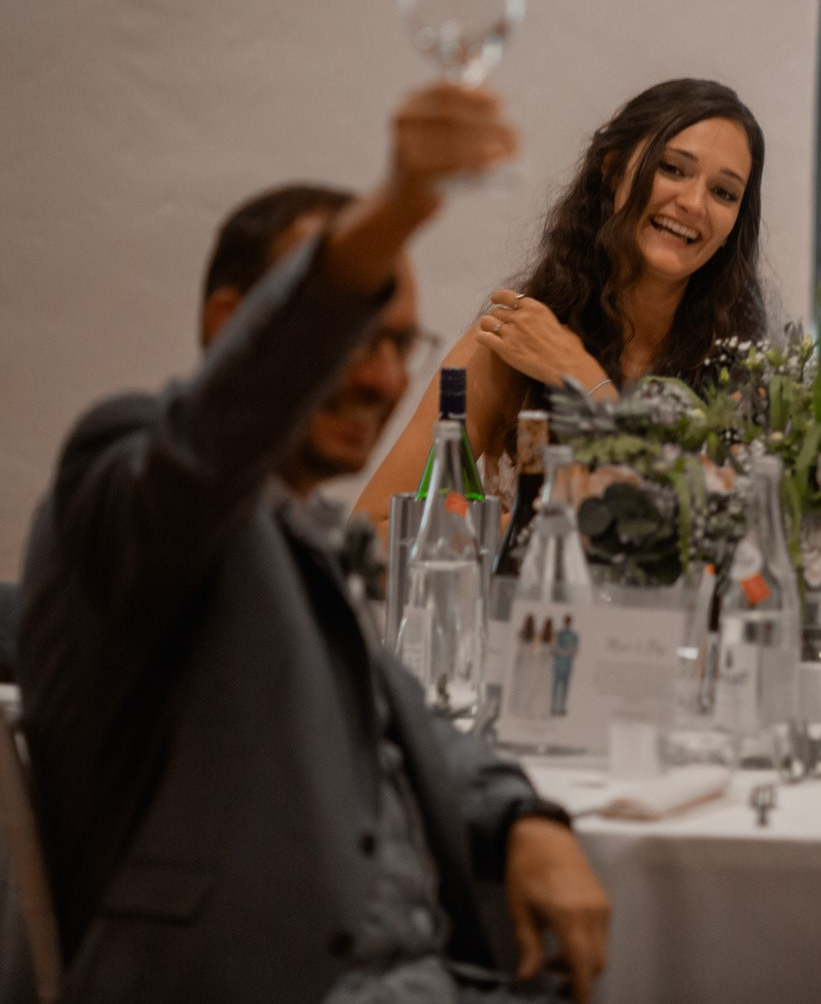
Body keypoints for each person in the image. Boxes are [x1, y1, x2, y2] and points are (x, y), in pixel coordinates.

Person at [19, 85, 612, 1002]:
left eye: (399, 342)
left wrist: (523, 816)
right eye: (352, 332)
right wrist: (399, 205)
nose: (381, 377)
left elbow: (407, 720)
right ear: (233, 323)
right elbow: (211, 435)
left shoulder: (297, 528)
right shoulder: (129, 477)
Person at [358, 78, 767, 524]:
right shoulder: (508, 346)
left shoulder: (745, 381)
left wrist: (583, 380)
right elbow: (370, 532)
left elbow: (720, 546)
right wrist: (507, 533)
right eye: (672, 168)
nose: (693, 203)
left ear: (734, 226)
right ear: (611, 170)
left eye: (724, 193)